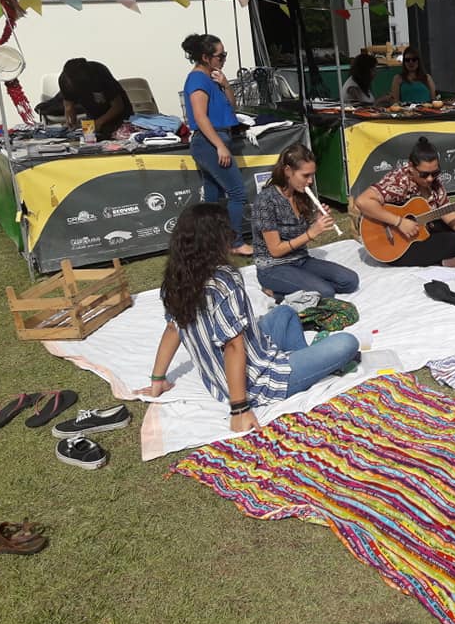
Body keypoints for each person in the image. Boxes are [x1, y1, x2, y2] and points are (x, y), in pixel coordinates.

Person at [141, 203, 359, 433]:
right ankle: (303, 368)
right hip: (254, 383)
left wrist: (158, 379)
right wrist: (239, 409)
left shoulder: (174, 281)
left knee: (284, 312)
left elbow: (172, 329)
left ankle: (304, 360)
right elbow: (233, 346)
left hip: (223, 377)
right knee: (347, 342)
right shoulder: (224, 282)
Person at [355, 136, 455, 267]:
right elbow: (362, 201)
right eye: (424, 174)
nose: (430, 179)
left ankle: (440, 250)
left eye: (435, 173)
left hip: (424, 228)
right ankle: (441, 260)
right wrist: (399, 222)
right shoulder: (399, 181)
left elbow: (446, 210)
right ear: (411, 167)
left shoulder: (434, 182)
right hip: (395, 243)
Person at [252, 144, 359, 300]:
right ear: (288, 171)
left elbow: (296, 231)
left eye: (312, 175)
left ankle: (306, 287)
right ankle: (276, 292)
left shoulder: (300, 194)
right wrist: (311, 233)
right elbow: (275, 250)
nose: (310, 181)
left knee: (350, 281)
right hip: (273, 267)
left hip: (301, 260)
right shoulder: (266, 200)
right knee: (325, 293)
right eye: (305, 175)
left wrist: (316, 219)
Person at [181, 33, 252, 256]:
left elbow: (232, 106)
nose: (223, 59)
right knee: (237, 192)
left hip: (214, 140)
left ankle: (207, 242)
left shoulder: (210, 78)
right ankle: (235, 242)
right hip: (209, 142)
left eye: (224, 55)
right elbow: (200, 116)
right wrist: (219, 146)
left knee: (212, 197)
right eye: (220, 56)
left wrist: (225, 84)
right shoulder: (197, 80)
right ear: (205, 57)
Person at [58, 58, 133, 140]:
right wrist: (71, 123)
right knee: (92, 137)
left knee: (119, 135)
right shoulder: (64, 80)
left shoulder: (100, 73)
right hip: (92, 112)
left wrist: (99, 122)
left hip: (119, 115)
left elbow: (118, 106)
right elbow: (68, 106)